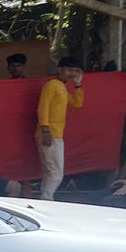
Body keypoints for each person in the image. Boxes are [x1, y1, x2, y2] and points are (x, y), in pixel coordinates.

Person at [36, 56, 85, 201]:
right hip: (50, 133)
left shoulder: (62, 87)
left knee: (50, 171)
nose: (71, 74)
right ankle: (46, 199)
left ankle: (45, 198)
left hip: (55, 133)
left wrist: (78, 84)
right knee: (56, 172)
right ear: (60, 69)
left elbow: (77, 103)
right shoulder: (52, 84)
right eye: (69, 70)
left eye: (74, 71)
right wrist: (45, 129)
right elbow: (43, 107)